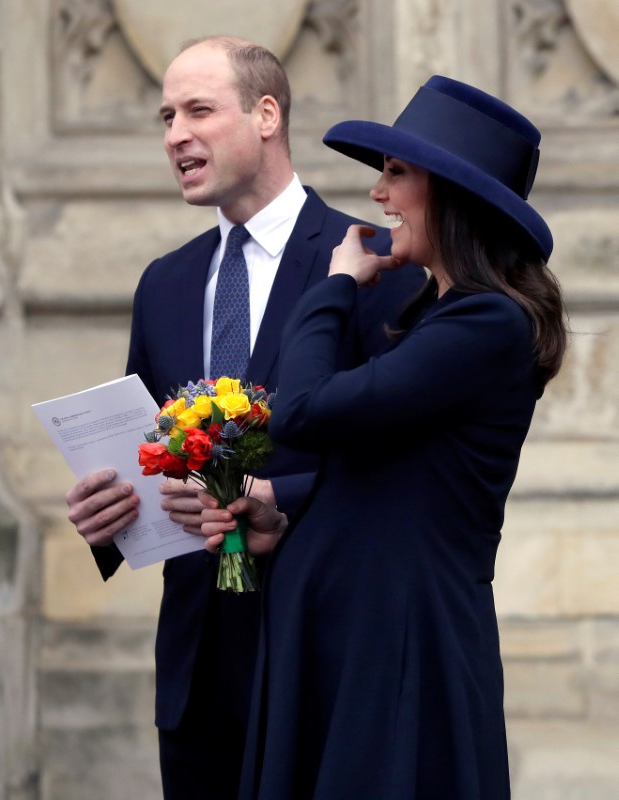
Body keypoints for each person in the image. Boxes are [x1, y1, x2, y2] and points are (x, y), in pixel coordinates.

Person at [64, 36, 425, 800]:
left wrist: (275, 499)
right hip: (197, 675)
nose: (174, 135)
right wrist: (109, 515)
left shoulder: (371, 260)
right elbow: (150, 453)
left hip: (320, 651)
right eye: (165, 117)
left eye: (198, 110)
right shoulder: (164, 284)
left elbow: (398, 462)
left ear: (267, 114)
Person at [199, 75, 568, 799]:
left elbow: (300, 410)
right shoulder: (441, 321)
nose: (378, 195)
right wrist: (284, 505)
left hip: (401, 647)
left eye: (397, 174)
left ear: (451, 194)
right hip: (356, 639)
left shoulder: (485, 325)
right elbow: (392, 476)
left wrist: (334, 286)